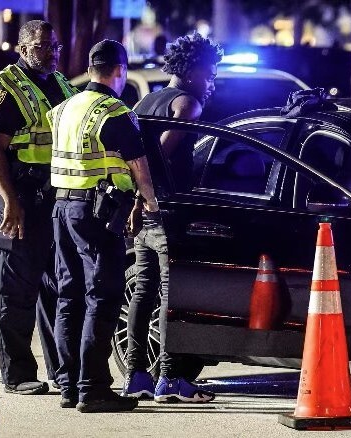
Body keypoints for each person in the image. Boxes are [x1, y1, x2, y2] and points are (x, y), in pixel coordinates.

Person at [48, 39, 158, 412]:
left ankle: (68, 386)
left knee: (69, 295)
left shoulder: (62, 109)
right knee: (104, 296)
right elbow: (139, 167)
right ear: (120, 70)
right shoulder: (115, 110)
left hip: (62, 209)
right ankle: (93, 388)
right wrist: (150, 202)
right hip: (96, 214)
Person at [0, 19, 77, 396]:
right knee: (17, 285)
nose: (51, 53)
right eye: (41, 47)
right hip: (16, 190)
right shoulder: (3, 91)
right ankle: (18, 374)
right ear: (21, 48)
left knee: (55, 282)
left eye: (55, 47)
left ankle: (61, 370)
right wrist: (8, 202)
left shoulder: (60, 83)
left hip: (50, 193)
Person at [122, 32, 220, 403]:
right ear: (192, 70)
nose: (212, 80)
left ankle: (135, 376)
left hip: (143, 211)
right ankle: (169, 378)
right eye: (210, 72)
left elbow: (134, 158)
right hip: (168, 213)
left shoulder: (148, 99)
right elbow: (159, 159)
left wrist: (137, 199)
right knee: (169, 295)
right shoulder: (187, 105)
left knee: (142, 293)